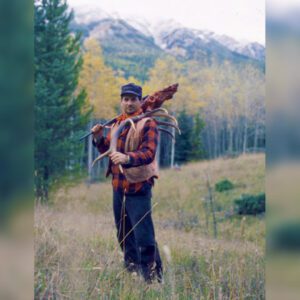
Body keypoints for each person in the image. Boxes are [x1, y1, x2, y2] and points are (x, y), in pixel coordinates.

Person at [91, 83, 163, 283]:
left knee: (144, 236)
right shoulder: (117, 123)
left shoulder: (147, 123)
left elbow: (148, 153)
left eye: (133, 99)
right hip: (118, 187)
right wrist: (98, 139)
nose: (129, 103)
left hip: (138, 187)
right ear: (121, 101)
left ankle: (153, 279)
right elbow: (109, 150)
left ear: (140, 101)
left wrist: (128, 158)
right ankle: (132, 273)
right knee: (124, 233)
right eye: (126, 99)